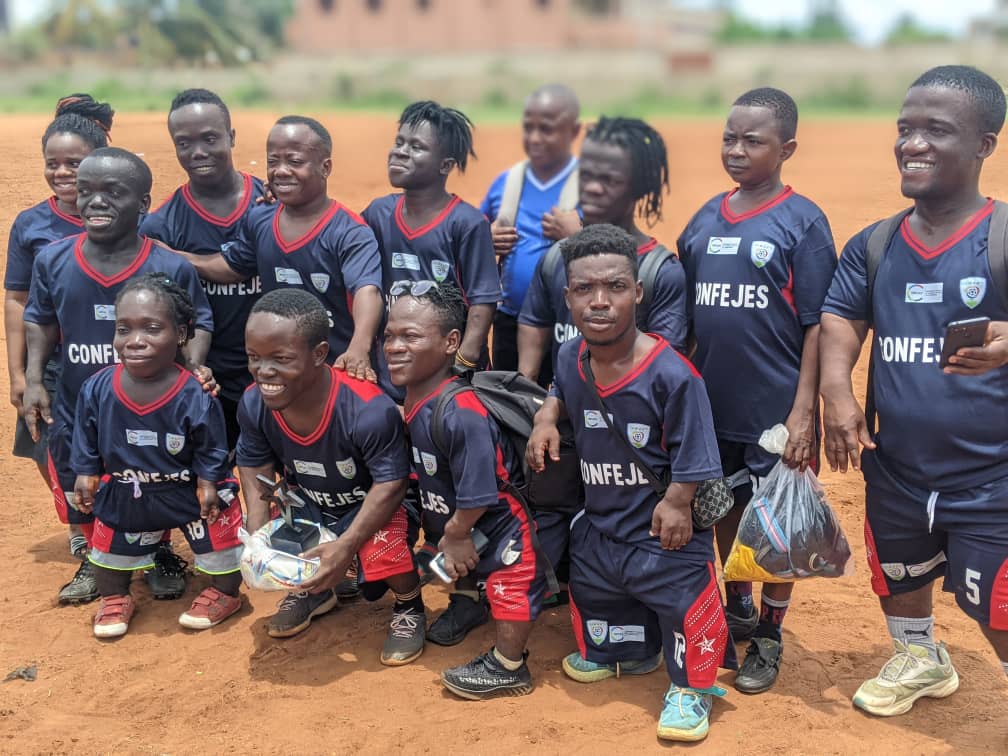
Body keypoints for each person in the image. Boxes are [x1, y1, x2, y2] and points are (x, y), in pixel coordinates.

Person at [820, 65, 1008, 717]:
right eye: (905, 128)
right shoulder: (876, 244)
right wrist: (837, 392)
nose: (912, 144)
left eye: (936, 130)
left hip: (992, 479)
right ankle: (920, 657)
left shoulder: (1002, 239)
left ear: (984, 143)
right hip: (897, 468)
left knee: (997, 605)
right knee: (899, 572)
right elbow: (841, 316)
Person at [528, 224, 734, 742]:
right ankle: (630, 652)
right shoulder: (570, 356)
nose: (599, 301)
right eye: (584, 289)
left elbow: (696, 448)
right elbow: (560, 387)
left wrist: (679, 501)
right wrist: (547, 415)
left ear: (638, 292)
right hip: (603, 522)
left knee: (683, 601)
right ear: (568, 297)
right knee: (597, 592)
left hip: (662, 530)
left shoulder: (673, 375)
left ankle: (690, 688)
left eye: (615, 286)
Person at [677, 87, 838, 693]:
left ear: (786, 148)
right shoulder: (703, 220)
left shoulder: (804, 222)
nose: (736, 150)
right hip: (711, 404)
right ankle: (737, 600)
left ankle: (769, 633)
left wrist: (804, 412)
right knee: (722, 507)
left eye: (752, 140)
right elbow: (685, 320)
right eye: (729, 138)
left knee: (777, 523)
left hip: (775, 408)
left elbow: (818, 325)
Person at [21, 147, 214, 606]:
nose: (95, 201)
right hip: (77, 401)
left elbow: (199, 321)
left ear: (143, 203)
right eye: (85, 190)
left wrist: (193, 364)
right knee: (80, 476)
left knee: (156, 477)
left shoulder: (168, 267)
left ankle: (160, 551)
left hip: (150, 406)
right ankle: (96, 557)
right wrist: (33, 378)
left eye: (112, 191)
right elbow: (39, 319)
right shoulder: (53, 260)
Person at [236, 288, 425, 664]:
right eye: (254, 357)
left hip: (378, 505)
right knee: (281, 524)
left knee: (382, 542)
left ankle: (409, 604)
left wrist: (347, 545)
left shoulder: (367, 410)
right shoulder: (254, 402)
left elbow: (392, 484)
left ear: (319, 354)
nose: (264, 371)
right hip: (311, 502)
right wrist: (257, 536)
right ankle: (314, 591)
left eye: (281, 359)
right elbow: (255, 464)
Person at [385, 280, 546, 699]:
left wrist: (456, 535)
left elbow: (479, 492)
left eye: (410, 336)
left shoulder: (461, 412)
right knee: (453, 567)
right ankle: (469, 604)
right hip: (454, 520)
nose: (394, 347)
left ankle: (509, 666)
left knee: (512, 584)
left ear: (450, 342)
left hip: (500, 525)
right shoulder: (416, 401)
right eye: (389, 335)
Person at [72, 274, 243, 638]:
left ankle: (225, 594)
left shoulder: (194, 392)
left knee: (223, 558)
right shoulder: (98, 387)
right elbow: (85, 433)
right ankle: (116, 597)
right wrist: (86, 472)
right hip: (129, 491)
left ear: (180, 334)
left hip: (188, 492)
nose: (135, 340)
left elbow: (212, 445)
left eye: (151, 329)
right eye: (124, 329)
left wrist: (208, 481)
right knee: (107, 570)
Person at [175, 115, 384, 384]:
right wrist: (174, 256)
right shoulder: (260, 218)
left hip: (335, 372)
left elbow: (367, 290)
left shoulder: (349, 232)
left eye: (295, 161)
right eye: (273, 161)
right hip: (276, 373)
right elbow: (233, 266)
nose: (281, 171)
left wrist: (358, 348)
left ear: (325, 167)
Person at [4, 94, 114, 602]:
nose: (63, 173)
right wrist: (19, 374)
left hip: (114, 359)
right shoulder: (32, 225)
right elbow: (17, 301)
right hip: (54, 362)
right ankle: (83, 530)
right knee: (52, 448)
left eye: (75, 163)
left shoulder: (124, 214)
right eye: (54, 163)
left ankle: (141, 538)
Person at [141, 88, 267, 450]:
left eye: (210, 138)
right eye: (184, 143)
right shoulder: (161, 225)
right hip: (205, 377)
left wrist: (178, 256)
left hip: (273, 371)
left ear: (231, 137)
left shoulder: (271, 206)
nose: (197, 152)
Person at [517, 116, 687, 382]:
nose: (593, 188)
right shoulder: (555, 256)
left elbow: (667, 363)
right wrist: (526, 385)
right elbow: (534, 322)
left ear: (640, 186)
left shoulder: (661, 272)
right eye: (585, 176)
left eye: (610, 180)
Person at [362, 100, 499, 384]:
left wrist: (463, 363)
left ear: (445, 165)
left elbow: (482, 302)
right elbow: (338, 236)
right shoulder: (378, 213)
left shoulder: (467, 222)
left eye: (416, 147)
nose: (400, 152)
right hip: (392, 363)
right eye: (399, 142)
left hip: (447, 371)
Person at [480, 83, 581, 379]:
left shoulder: (591, 186)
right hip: (509, 320)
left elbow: (615, 251)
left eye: (546, 129)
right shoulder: (507, 182)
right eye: (528, 128)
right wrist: (486, 239)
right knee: (507, 395)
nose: (535, 138)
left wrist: (578, 236)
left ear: (574, 131)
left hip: (568, 326)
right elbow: (469, 236)